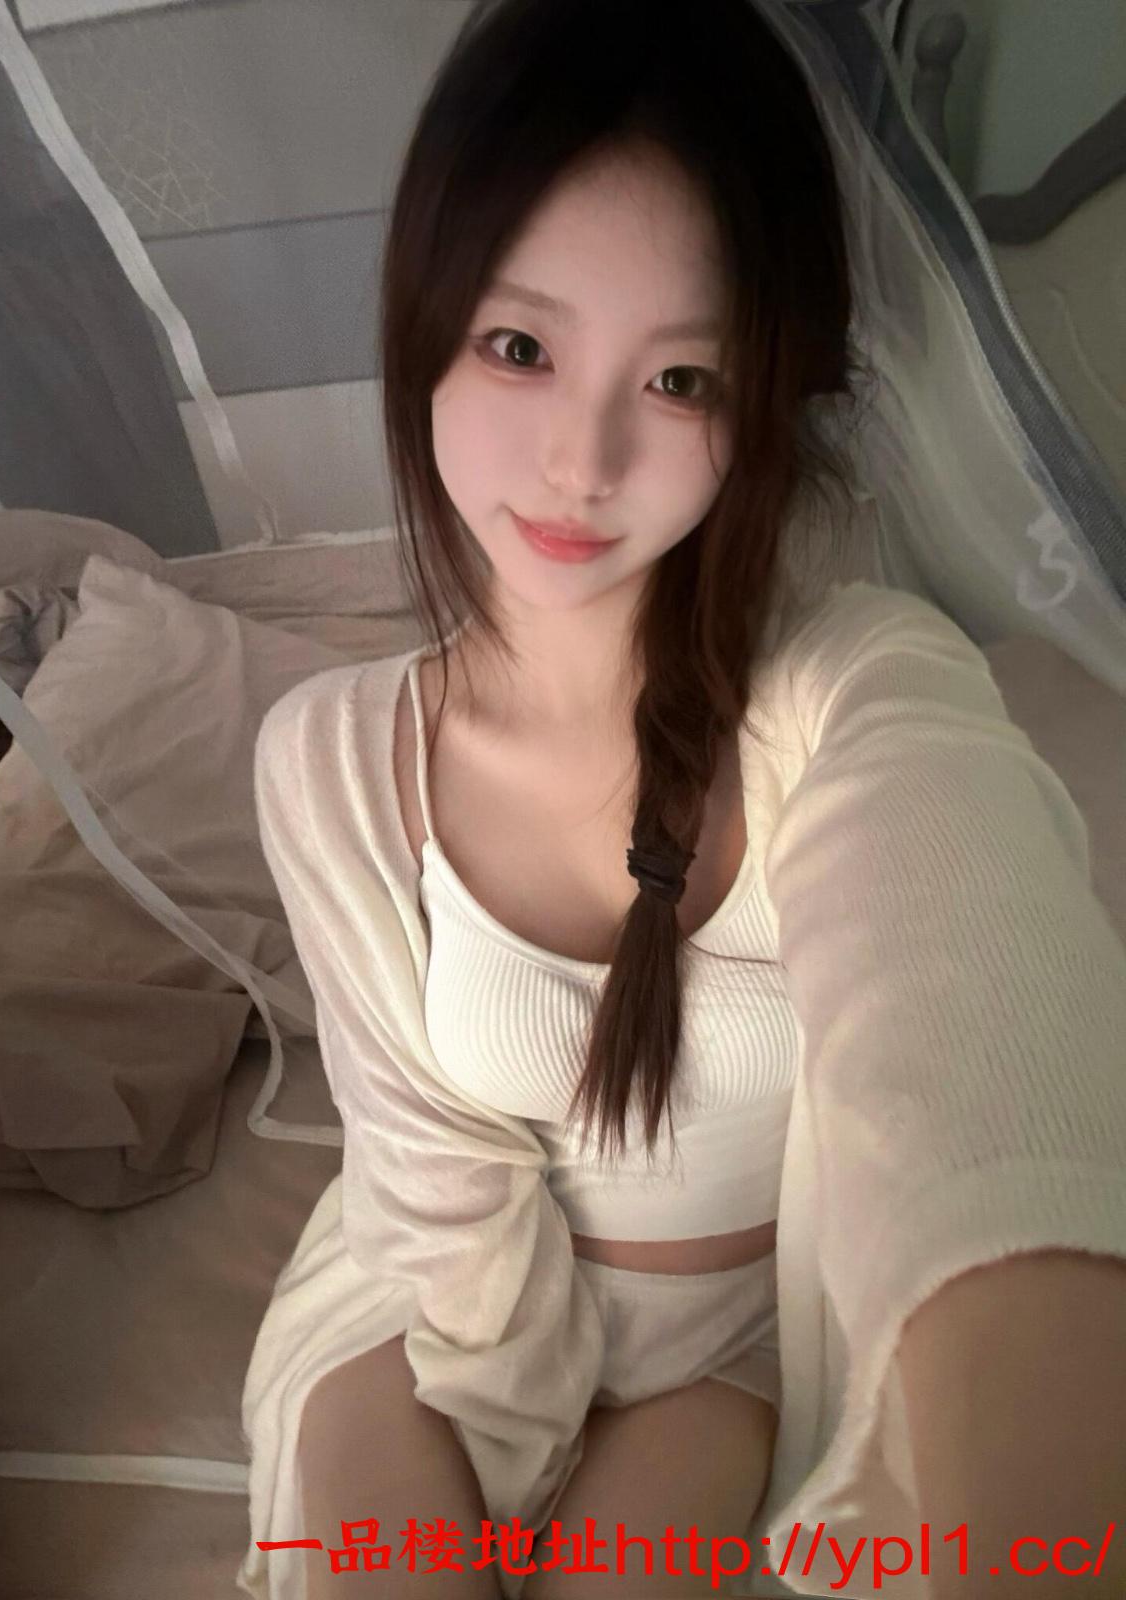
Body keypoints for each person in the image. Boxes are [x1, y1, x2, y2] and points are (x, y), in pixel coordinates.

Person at [241, 3, 1126, 1598]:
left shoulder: (857, 692)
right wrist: (502, 1471)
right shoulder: (332, 759)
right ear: (423, 328)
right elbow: (434, 1189)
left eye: (678, 377)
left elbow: (991, 1072)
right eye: (521, 348)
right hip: (429, 1307)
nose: (580, 462)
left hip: (724, 1346)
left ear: (763, 398)